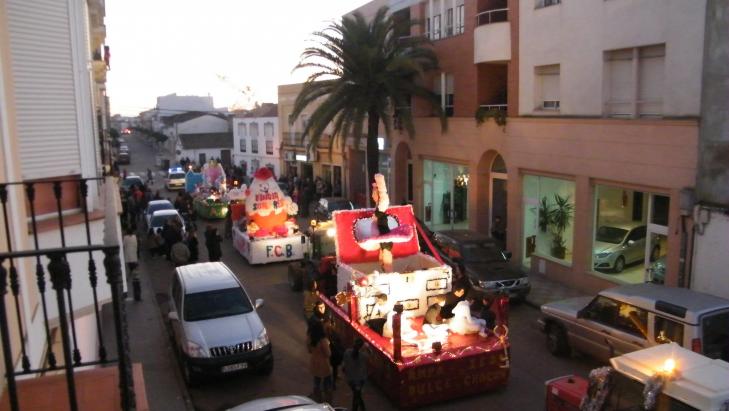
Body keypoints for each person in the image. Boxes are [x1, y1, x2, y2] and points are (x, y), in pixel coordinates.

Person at [307, 320, 333, 404]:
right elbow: (328, 353)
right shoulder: (323, 340)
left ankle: (317, 398)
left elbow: (309, 350)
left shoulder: (310, 338)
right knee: (327, 381)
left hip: (314, 362)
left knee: (316, 381)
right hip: (323, 364)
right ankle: (327, 399)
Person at [342, 338, 369, 411]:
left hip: (350, 379)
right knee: (357, 395)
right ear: (362, 347)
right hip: (360, 380)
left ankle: (360, 408)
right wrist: (367, 347)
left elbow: (344, 365)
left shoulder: (347, 352)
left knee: (356, 395)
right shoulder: (363, 356)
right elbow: (370, 354)